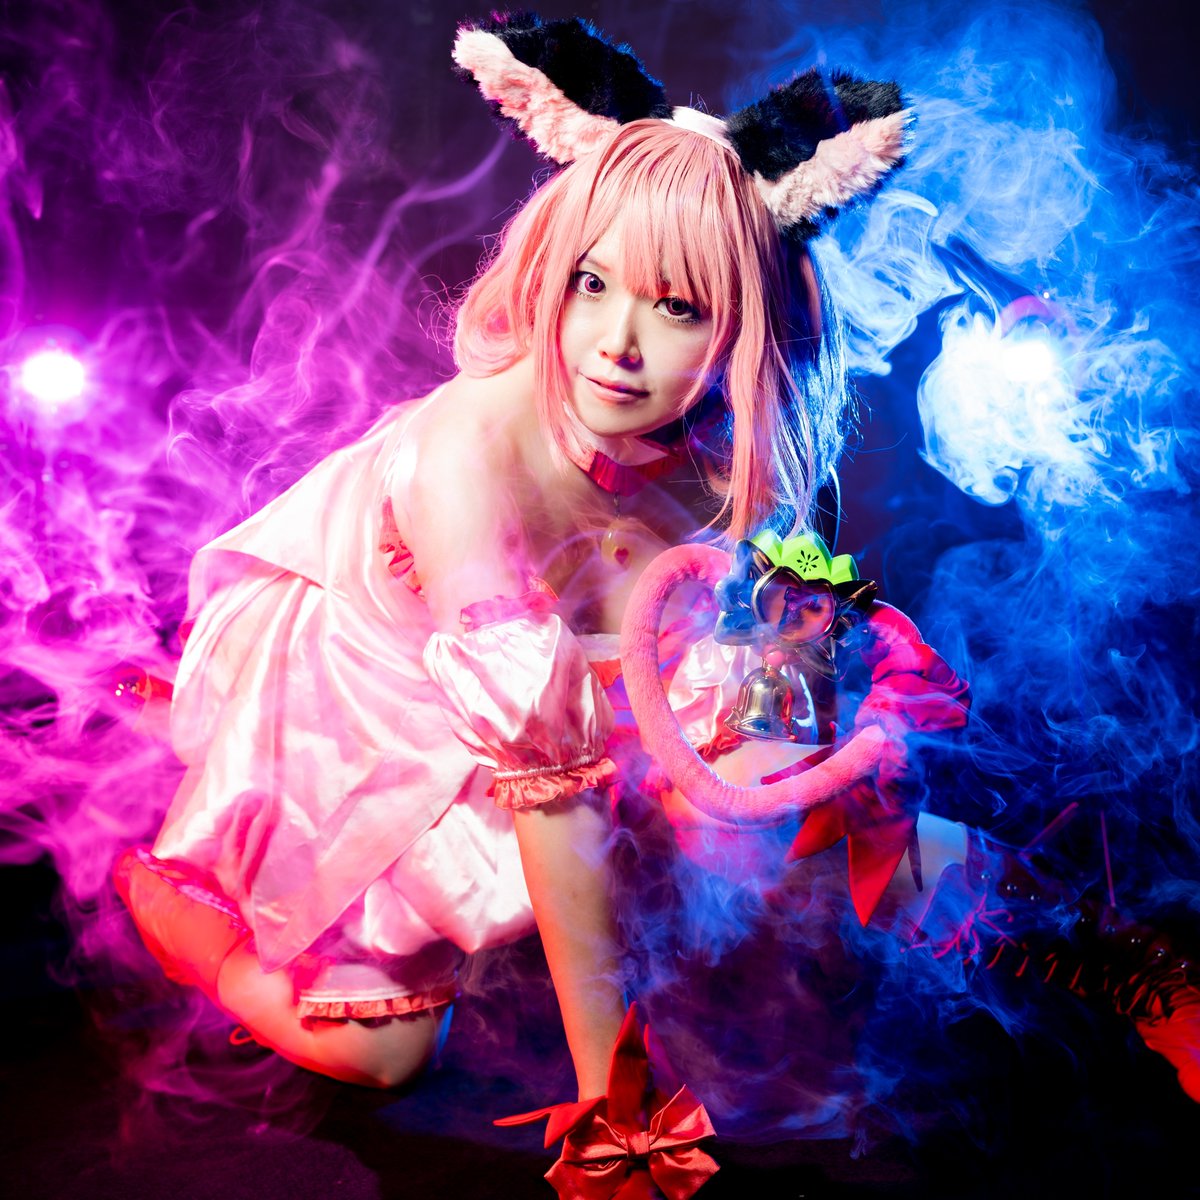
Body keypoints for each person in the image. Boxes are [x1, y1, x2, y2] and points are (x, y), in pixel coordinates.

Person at [112, 12, 1196, 1198]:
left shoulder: (749, 455)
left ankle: (1100, 950)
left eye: (679, 307)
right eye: (593, 283)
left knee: (773, 819)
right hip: (397, 703)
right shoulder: (467, 457)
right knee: (385, 1051)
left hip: (608, 679)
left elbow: (775, 749)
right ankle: (183, 918)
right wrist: (612, 1110)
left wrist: (813, 748)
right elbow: (552, 788)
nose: (614, 346)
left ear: (744, 324)